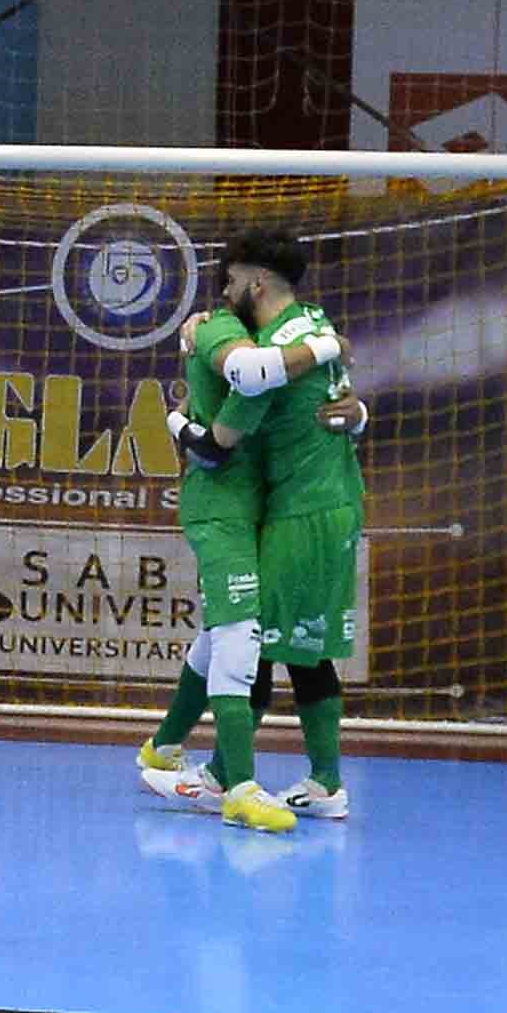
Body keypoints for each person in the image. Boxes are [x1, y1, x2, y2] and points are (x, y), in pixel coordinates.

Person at [138, 232, 359, 828]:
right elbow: (334, 385)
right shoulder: (313, 322)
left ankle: (229, 779)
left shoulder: (274, 344)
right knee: (286, 640)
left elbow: (228, 428)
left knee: (251, 636)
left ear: (256, 283)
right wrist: (338, 358)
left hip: (299, 509)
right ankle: (298, 779)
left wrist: (181, 425)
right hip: (330, 501)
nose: (223, 292)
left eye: (232, 280)